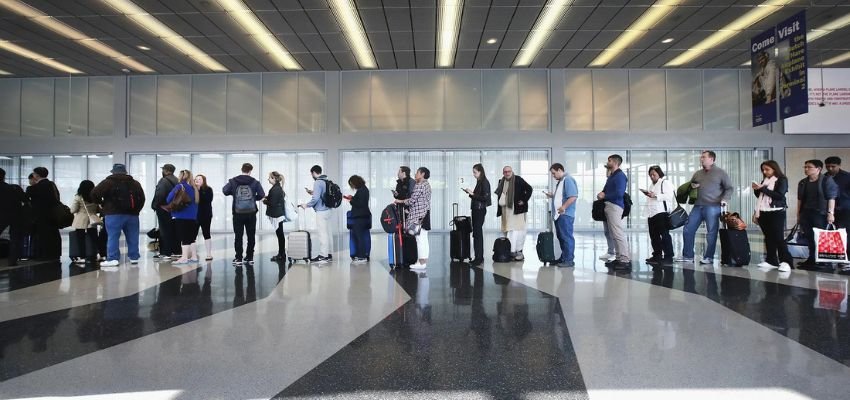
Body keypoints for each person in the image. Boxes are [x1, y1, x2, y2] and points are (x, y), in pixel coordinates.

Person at [677, 151, 733, 265]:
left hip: (713, 206)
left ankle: (709, 257)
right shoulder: (698, 174)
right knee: (688, 229)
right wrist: (692, 186)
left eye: (704, 157)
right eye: (701, 157)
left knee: (711, 232)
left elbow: (729, 188)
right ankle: (688, 256)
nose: (701, 159)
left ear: (712, 159)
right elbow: (691, 187)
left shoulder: (720, 173)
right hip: (698, 206)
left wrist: (725, 199)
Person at [91, 163, 145, 267]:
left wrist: (102, 204)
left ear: (113, 172)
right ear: (125, 172)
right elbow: (142, 198)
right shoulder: (135, 183)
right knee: (133, 236)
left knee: (113, 236)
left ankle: (113, 259)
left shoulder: (107, 182)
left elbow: (94, 194)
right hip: (132, 215)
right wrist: (136, 210)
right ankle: (134, 257)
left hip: (113, 214)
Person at [796, 159, 838, 270]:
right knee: (809, 237)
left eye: (809, 167)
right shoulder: (803, 182)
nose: (806, 169)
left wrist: (831, 213)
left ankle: (824, 261)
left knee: (821, 237)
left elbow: (831, 198)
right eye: (805, 167)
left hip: (820, 213)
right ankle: (812, 259)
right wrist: (798, 215)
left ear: (818, 169)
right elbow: (800, 200)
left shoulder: (826, 180)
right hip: (806, 212)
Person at [752, 160, 792, 272]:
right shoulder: (765, 180)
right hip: (764, 211)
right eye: (763, 170)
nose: (765, 172)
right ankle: (771, 260)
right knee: (768, 237)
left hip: (776, 211)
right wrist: (756, 189)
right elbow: (761, 196)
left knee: (778, 237)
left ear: (774, 169)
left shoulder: (782, 180)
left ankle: (786, 261)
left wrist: (762, 188)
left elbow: (779, 195)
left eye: (767, 169)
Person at [223, 163, 265, 266]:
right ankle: (250, 258)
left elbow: (225, 191)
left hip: (237, 213)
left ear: (241, 169)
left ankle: (238, 258)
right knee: (251, 236)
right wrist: (253, 198)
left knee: (238, 236)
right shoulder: (255, 182)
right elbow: (262, 195)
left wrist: (234, 193)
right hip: (251, 213)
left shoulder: (233, 181)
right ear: (250, 171)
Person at [597, 155, 631, 270]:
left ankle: (625, 259)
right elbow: (607, 190)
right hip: (609, 205)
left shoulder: (620, 176)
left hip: (615, 206)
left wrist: (605, 195)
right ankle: (618, 257)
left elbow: (619, 193)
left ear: (616, 162)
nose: (608, 162)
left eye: (609, 160)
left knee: (617, 233)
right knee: (613, 234)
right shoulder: (612, 176)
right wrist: (602, 193)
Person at [395, 167, 432, 270]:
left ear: (422, 174)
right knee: (424, 239)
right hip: (425, 214)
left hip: (419, 215)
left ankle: (421, 263)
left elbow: (412, 201)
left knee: (420, 239)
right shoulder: (427, 185)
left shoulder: (420, 185)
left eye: (417, 173)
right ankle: (423, 262)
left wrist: (400, 201)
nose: (415, 174)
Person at [494, 166, 533, 261]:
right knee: (507, 231)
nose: (507, 173)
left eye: (509, 171)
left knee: (516, 231)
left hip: (516, 210)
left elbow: (529, 189)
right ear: (503, 173)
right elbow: (500, 196)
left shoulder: (518, 179)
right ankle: (509, 251)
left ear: (512, 172)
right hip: (505, 211)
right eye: (505, 172)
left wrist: (524, 200)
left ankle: (517, 251)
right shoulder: (501, 181)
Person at [546, 163, 578, 268]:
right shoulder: (561, 181)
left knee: (566, 237)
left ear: (560, 170)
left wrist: (563, 207)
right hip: (559, 215)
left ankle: (568, 260)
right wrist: (553, 195)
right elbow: (562, 196)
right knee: (561, 237)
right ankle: (564, 257)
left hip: (565, 214)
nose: (553, 176)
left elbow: (573, 197)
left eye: (554, 173)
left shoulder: (568, 180)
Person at [299, 165, 333, 264]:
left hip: (321, 211)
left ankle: (323, 255)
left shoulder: (318, 182)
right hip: (329, 210)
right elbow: (322, 194)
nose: (311, 175)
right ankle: (329, 254)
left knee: (322, 234)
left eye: (311, 174)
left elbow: (316, 199)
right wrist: (312, 192)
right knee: (328, 233)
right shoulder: (326, 180)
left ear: (314, 172)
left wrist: (306, 205)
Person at [26, 167, 61, 260]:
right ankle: (54, 254)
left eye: (33, 174)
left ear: (37, 175)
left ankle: (42, 255)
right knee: (53, 234)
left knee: (41, 236)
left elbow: (27, 199)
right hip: (53, 215)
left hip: (40, 216)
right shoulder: (52, 185)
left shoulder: (33, 188)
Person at [644, 165, 675, 265]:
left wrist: (656, 195)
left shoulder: (665, 182)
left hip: (661, 213)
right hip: (651, 213)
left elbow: (669, 196)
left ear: (659, 174)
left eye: (654, 174)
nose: (652, 176)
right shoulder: (652, 185)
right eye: (650, 175)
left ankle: (668, 257)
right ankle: (657, 255)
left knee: (665, 235)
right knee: (654, 236)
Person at [166, 170, 199, 264]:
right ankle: (194, 256)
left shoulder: (179, 186)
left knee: (184, 237)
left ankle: (184, 258)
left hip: (181, 216)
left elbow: (168, 199)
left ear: (180, 176)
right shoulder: (193, 188)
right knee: (191, 237)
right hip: (192, 217)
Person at [463, 163, 491, 266]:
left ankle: (479, 258)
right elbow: (479, 196)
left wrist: (473, 194)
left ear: (480, 172)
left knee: (477, 234)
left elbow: (485, 198)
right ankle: (478, 257)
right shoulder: (480, 182)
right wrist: (471, 194)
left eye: (475, 172)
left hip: (479, 210)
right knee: (476, 233)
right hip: (476, 209)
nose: (474, 174)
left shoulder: (484, 182)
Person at [69, 180, 102, 264]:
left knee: (80, 239)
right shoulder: (95, 197)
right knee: (95, 238)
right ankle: (100, 254)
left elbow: (73, 210)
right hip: (92, 220)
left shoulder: (79, 197)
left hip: (81, 220)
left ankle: (82, 257)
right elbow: (98, 209)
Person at [824, 156, 850, 260]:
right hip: (829, 210)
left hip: (845, 210)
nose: (830, 169)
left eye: (833, 166)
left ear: (839, 165)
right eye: (828, 166)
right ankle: (836, 257)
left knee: (845, 234)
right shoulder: (824, 177)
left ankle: (847, 259)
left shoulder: (847, 177)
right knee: (831, 234)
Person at [151, 164, 178, 260]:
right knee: (174, 230)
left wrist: (154, 205)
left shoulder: (164, 181)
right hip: (175, 209)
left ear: (166, 171)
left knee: (164, 230)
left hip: (164, 209)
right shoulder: (177, 180)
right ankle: (176, 251)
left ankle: (165, 252)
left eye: (163, 170)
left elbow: (160, 195)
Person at [0, 168, 26, 266]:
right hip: (16, 215)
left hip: (1, 215)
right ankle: (12, 260)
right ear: (4, 176)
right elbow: (25, 199)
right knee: (15, 238)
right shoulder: (14, 188)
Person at [346, 174, 371, 264]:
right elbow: (360, 201)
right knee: (359, 236)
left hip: (360, 216)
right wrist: (352, 198)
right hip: (362, 216)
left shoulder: (362, 191)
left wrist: (351, 200)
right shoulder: (363, 189)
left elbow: (360, 204)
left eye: (352, 184)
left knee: (359, 237)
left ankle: (362, 256)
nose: (352, 186)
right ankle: (360, 255)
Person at [264, 171, 286, 262]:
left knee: (280, 235)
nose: (268, 179)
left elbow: (272, 203)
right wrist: (267, 197)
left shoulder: (276, 189)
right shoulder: (276, 188)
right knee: (280, 234)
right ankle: (281, 254)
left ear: (274, 178)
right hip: (278, 214)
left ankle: (281, 254)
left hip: (277, 214)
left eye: (269, 177)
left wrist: (264, 201)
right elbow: (274, 199)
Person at [194, 174, 214, 261]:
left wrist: (199, 190)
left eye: (199, 179)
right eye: (196, 179)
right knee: (192, 235)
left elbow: (207, 199)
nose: (197, 180)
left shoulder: (208, 189)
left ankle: (209, 254)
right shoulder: (192, 189)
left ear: (203, 180)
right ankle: (193, 255)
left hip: (206, 215)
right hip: (195, 216)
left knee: (206, 233)